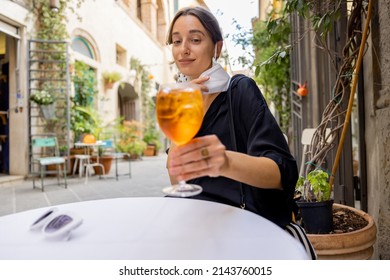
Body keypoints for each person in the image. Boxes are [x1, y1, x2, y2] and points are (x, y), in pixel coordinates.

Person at [165, 6, 315, 259]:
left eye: (195, 39)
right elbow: (176, 181)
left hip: (247, 229)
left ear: (217, 48)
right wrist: (185, 115)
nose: (184, 49)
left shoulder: (240, 90)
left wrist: (224, 161)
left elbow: (282, 173)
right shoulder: (179, 100)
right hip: (199, 229)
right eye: (177, 41)